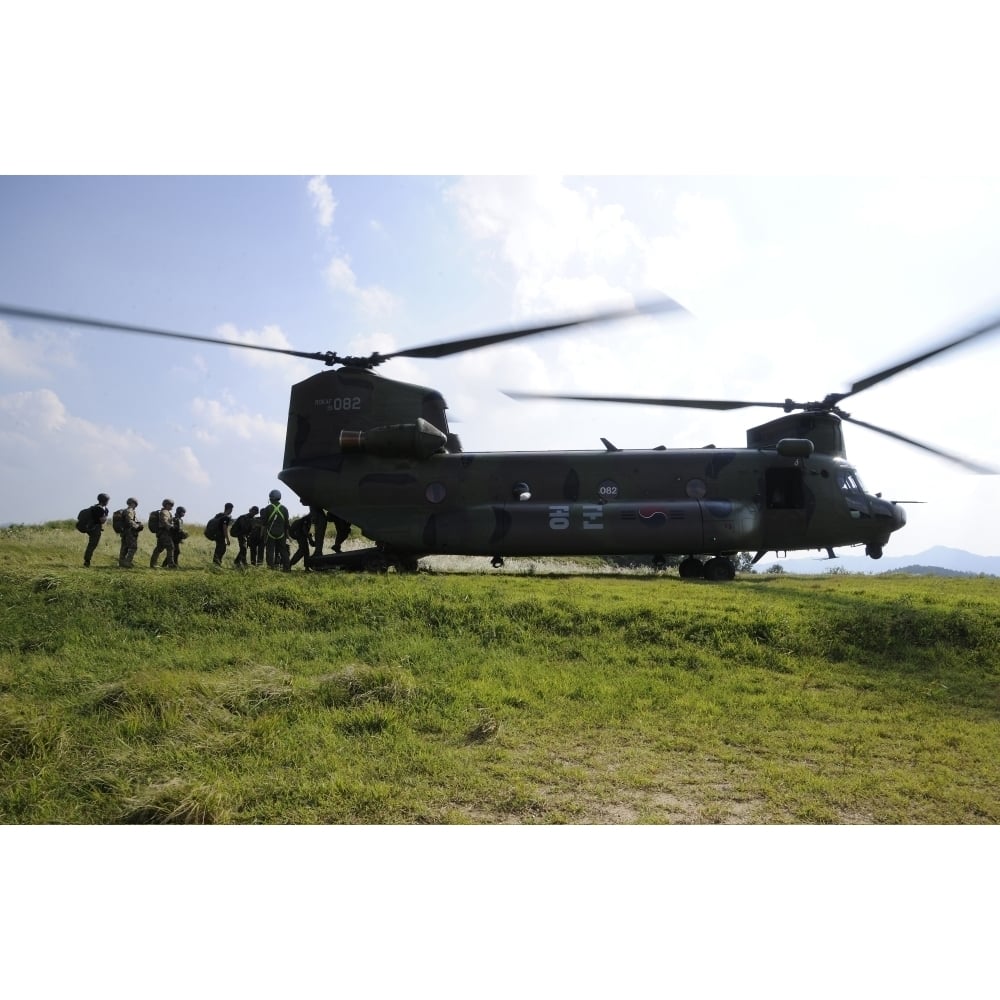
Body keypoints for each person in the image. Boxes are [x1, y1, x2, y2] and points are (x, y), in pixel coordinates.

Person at [263, 489, 290, 571]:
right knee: (283, 551)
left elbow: (264, 523)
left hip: (270, 533)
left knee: (270, 551)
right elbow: (286, 524)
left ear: (272, 498)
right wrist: (286, 535)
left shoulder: (268, 508)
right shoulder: (284, 509)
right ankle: (286, 568)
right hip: (281, 534)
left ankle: (270, 568)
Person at [83, 492, 111, 567]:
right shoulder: (100, 509)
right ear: (105, 500)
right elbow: (102, 520)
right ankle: (87, 561)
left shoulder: (95, 507)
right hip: (95, 528)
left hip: (90, 527)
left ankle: (87, 560)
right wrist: (106, 514)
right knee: (92, 545)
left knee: (91, 544)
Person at [150, 498, 177, 568]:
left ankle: (153, 564)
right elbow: (164, 521)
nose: (171, 506)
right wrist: (171, 527)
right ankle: (171, 564)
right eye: (170, 505)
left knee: (159, 548)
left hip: (162, 533)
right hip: (164, 533)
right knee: (170, 547)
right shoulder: (164, 512)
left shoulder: (166, 512)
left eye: (172, 505)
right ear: (166, 505)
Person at [117, 497, 144, 568]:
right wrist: (137, 526)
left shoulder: (125, 510)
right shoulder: (130, 510)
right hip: (130, 531)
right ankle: (127, 562)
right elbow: (130, 520)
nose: (136, 505)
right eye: (135, 504)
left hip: (124, 532)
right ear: (133, 503)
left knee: (124, 547)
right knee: (133, 547)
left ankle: (121, 562)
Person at [212, 502, 235, 566]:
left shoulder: (219, 515)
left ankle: (216, 563)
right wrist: (227, 539)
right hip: (220, 535)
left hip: (216, 534)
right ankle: (216, 564)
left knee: (218, 548)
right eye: (232, 509)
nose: (231, 511)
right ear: (230, 509)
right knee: (221, 549)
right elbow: (225, 528)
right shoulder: (226, 517)